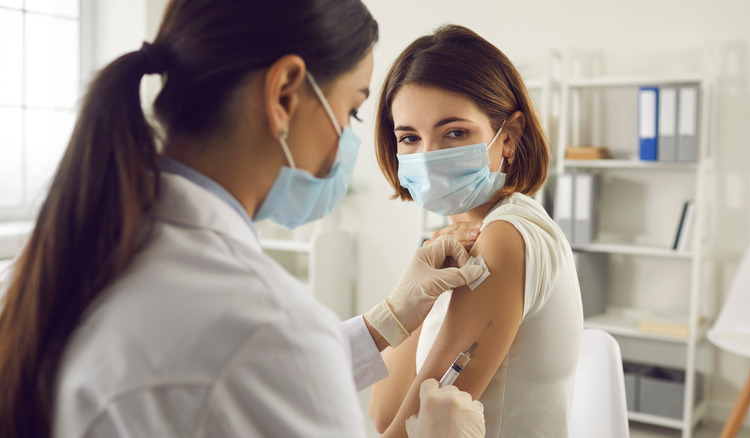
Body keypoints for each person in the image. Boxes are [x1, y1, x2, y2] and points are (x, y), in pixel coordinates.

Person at [0, 2, 487, 437]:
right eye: (352, 111)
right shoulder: (269, 326)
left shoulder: (44, 264)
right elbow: (259, 362)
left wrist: (392, 315)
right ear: (284, 94)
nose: (346, 139)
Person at [370, 25, 584, 437]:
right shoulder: (446, 245)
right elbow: (383, 414)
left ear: (509, 136)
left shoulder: (506, 237)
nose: (428, 156)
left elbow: (410, 429)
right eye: (410, 138)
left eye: (454, 132)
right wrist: (416, 299)